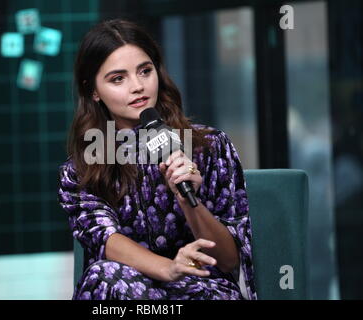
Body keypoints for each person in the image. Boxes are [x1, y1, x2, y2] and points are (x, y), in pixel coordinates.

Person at [58, 19, 257, 300]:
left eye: (145, 71)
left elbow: (228, 260)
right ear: (93, 90)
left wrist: (189, 200)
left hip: (201, 290)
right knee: (105, 276)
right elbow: (106, 241)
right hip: (125, 289)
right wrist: (170, 268)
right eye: (118, 78)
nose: (137, 86)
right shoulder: (81, 170)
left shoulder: (210, 147)